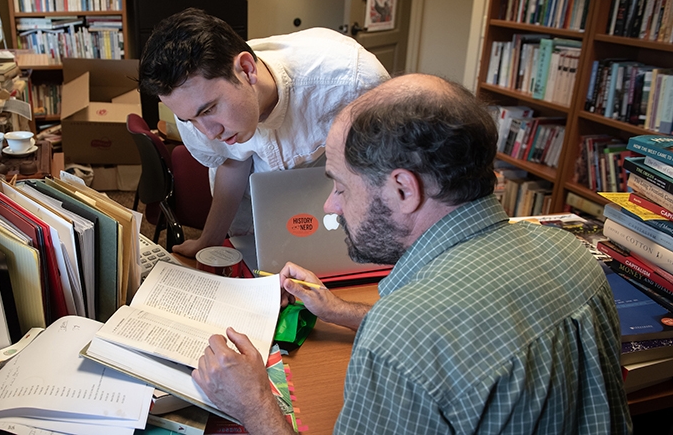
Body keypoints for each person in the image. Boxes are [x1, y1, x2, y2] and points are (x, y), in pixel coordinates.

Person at [191, 74, 632, 434]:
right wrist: (342, 311)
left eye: (341, 186)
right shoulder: (570, 254)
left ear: (403, 189)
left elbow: (424, 340)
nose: (331, 205)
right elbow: (469, 338)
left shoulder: (401, 337)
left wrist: (255, 405)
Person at [138, 8, 389, 258]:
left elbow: (376, 175)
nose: (209, 133)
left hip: (332, 200)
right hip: (254, 212)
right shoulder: (191, 102)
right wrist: (208, 240)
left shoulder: (353, 82)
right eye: (189, 119)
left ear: (247, 70)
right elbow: (234, 161)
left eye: (210, 110)